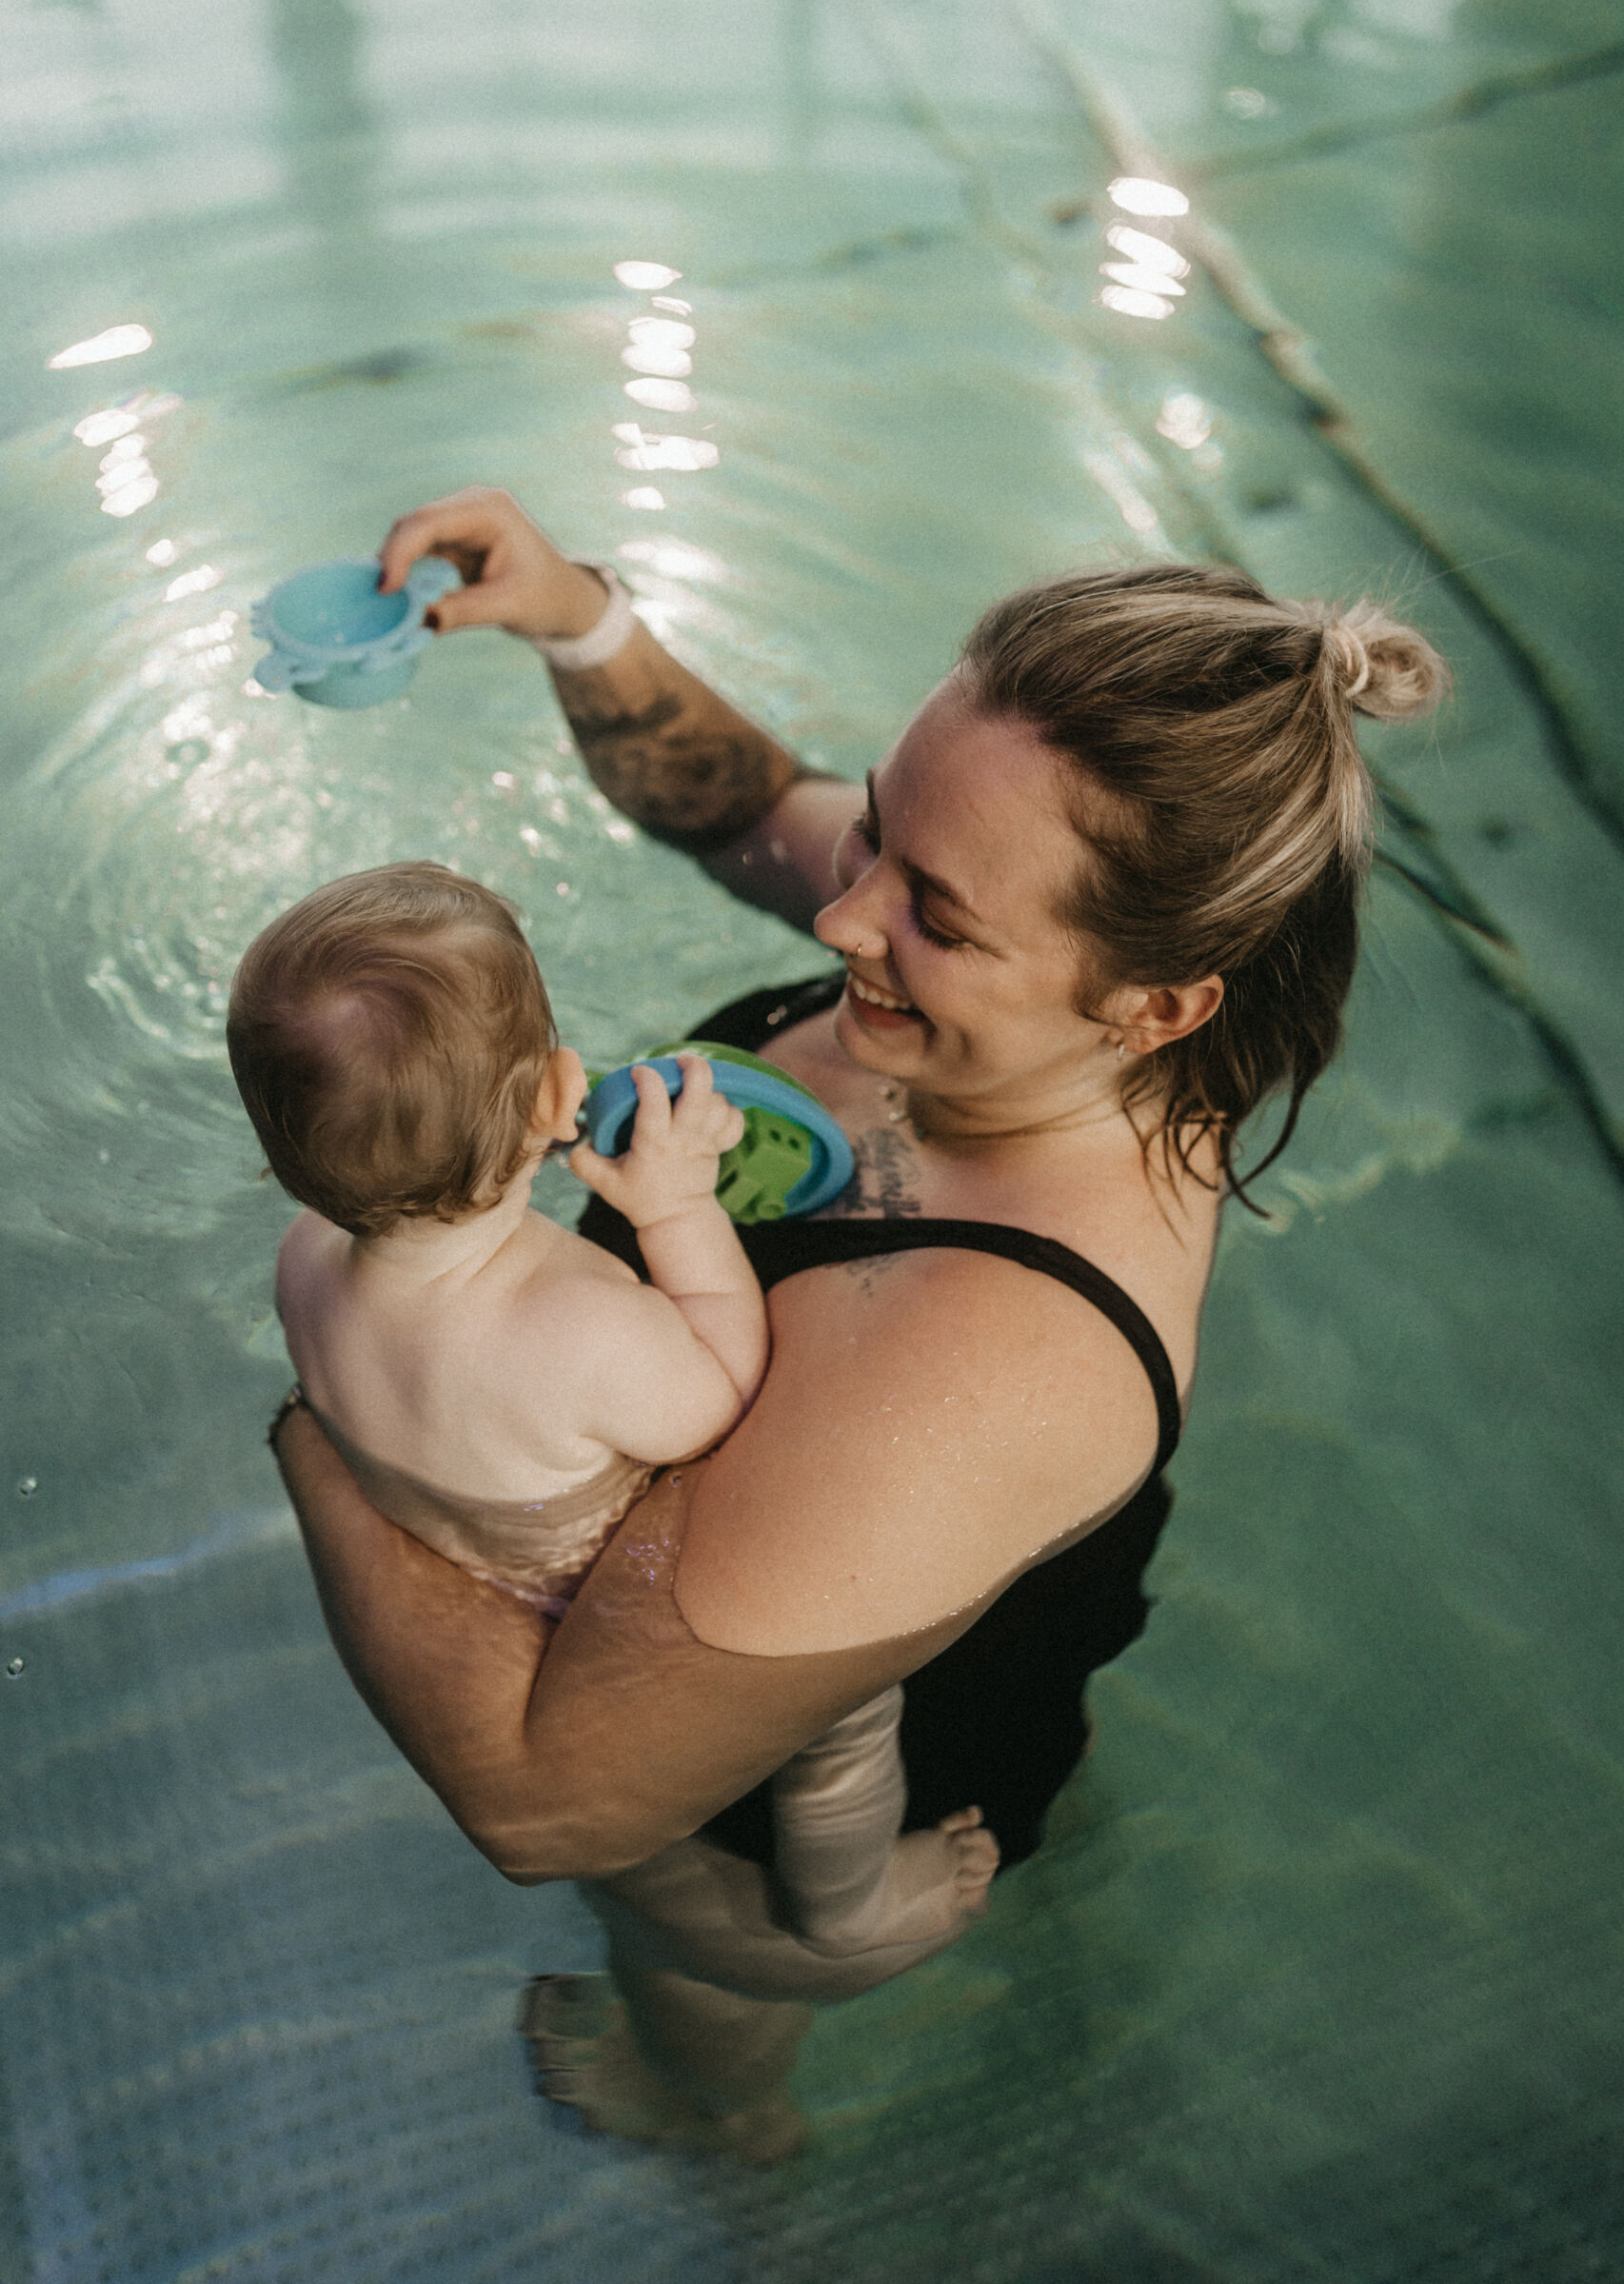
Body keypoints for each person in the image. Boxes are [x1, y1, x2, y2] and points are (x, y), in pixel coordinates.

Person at [268, 486, 1451, 2162]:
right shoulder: (1016, 981)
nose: (841, 919)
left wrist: (319, 1431)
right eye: (882, 829)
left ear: (1156, 1004)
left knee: (705, 1958)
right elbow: (747, 804)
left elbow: (547, 1806)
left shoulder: (990, 1357)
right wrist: (578, 621)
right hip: (879, 1597)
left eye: (932, 917)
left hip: (789, 1809)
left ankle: (721, 2126)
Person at [227, 862, 999, 1978]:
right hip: (594, 1603)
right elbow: (721, 1397)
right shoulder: (572, 1329)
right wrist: (675, 1206)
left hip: (480, 1565)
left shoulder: (304, 1260)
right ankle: (845, 1904)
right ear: (557, 1098)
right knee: (846, 1710)